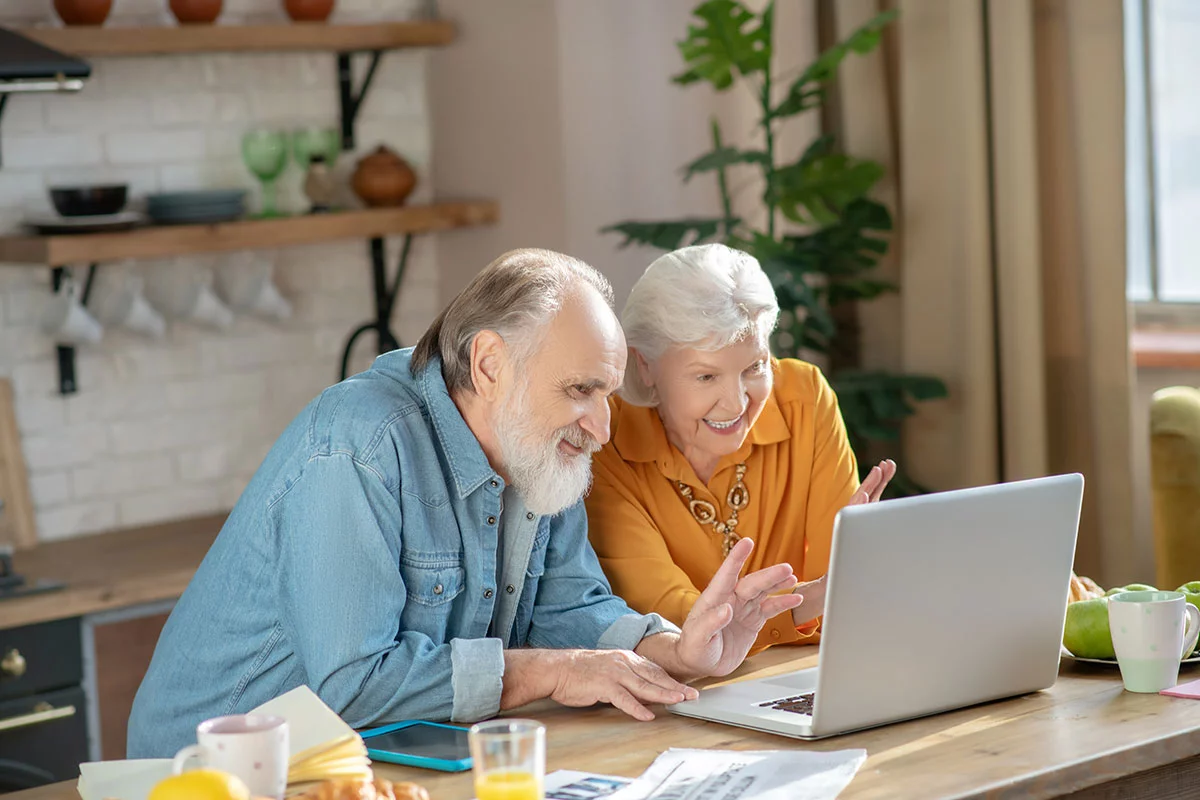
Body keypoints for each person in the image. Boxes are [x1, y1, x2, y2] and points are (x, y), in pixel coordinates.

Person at [127, 248, 804, 758]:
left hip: (368, 762)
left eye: (607, 393)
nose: (602, 427)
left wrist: (677, 651)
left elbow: (570, 605)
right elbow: (353, 684)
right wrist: (554, 672)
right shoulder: (360, 444)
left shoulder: (540, 444)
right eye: (578, 391)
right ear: (488, 365)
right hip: (207, 773)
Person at [585, 243, 895, 655]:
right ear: (645, 366)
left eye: (754, 368)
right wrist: (813, 600)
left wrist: (852, 574)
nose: (736, 403)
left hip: (799, 675)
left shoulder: (805, 398)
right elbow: (663, 618)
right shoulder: (605, 441)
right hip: (682, 690)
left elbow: (841, 597)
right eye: (706, 377)